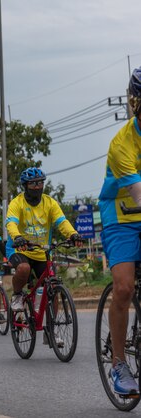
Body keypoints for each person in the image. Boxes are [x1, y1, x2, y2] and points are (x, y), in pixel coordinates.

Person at [97, 67, 141, 396]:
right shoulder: (122, 144)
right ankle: (118, 363)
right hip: (122, 215)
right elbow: (138, 196)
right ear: (136, 104)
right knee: (124, 288)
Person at [6, 167, 81, 315]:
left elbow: (62, 222)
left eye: (40, 183)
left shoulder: (50, 203)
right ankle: (17, 295)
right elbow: (11, 223)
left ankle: (52, 332)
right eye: (33, 184)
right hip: (19, 249)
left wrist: (73, 234)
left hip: (42, 252)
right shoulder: (17, 203)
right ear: (25, 186)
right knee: (24, 269)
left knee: (52, 286)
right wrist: (18, 237)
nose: (37, 187)